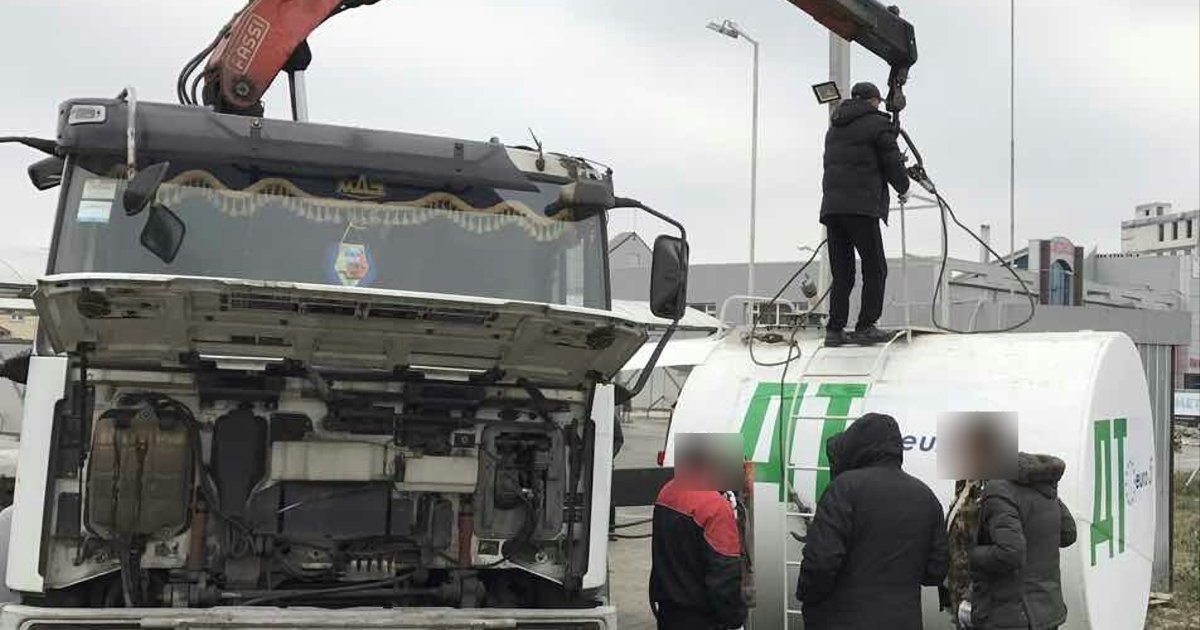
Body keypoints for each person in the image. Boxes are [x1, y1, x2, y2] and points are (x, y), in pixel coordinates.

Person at [797, 412, 948, 630]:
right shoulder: (926, 496)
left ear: (857, 446)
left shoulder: (844, 488)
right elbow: (936, 571)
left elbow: (821, 562)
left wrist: (808, 598)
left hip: (842, 620)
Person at [819, 81, 911, 347]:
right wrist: (904, 187)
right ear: (874, 101)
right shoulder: (877, 124)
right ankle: (866, 326)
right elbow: (891, 161)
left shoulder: (835, 127)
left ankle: (834, 330)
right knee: (875, 268)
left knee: (843, 273)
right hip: (861, 207)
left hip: (833, 209)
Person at [966, 452, 1077, 630]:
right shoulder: (1043, 486)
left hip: (1010, 614)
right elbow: (1068, 534)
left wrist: (973, 554)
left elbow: (1010, 553)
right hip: (1047, 610)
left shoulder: (998, 489)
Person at [649, 439, 746, 630]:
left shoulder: (667, 491)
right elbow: (724, 575)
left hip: (668, 612)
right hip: (702, 618)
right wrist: (734, 620)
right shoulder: (716, 508)